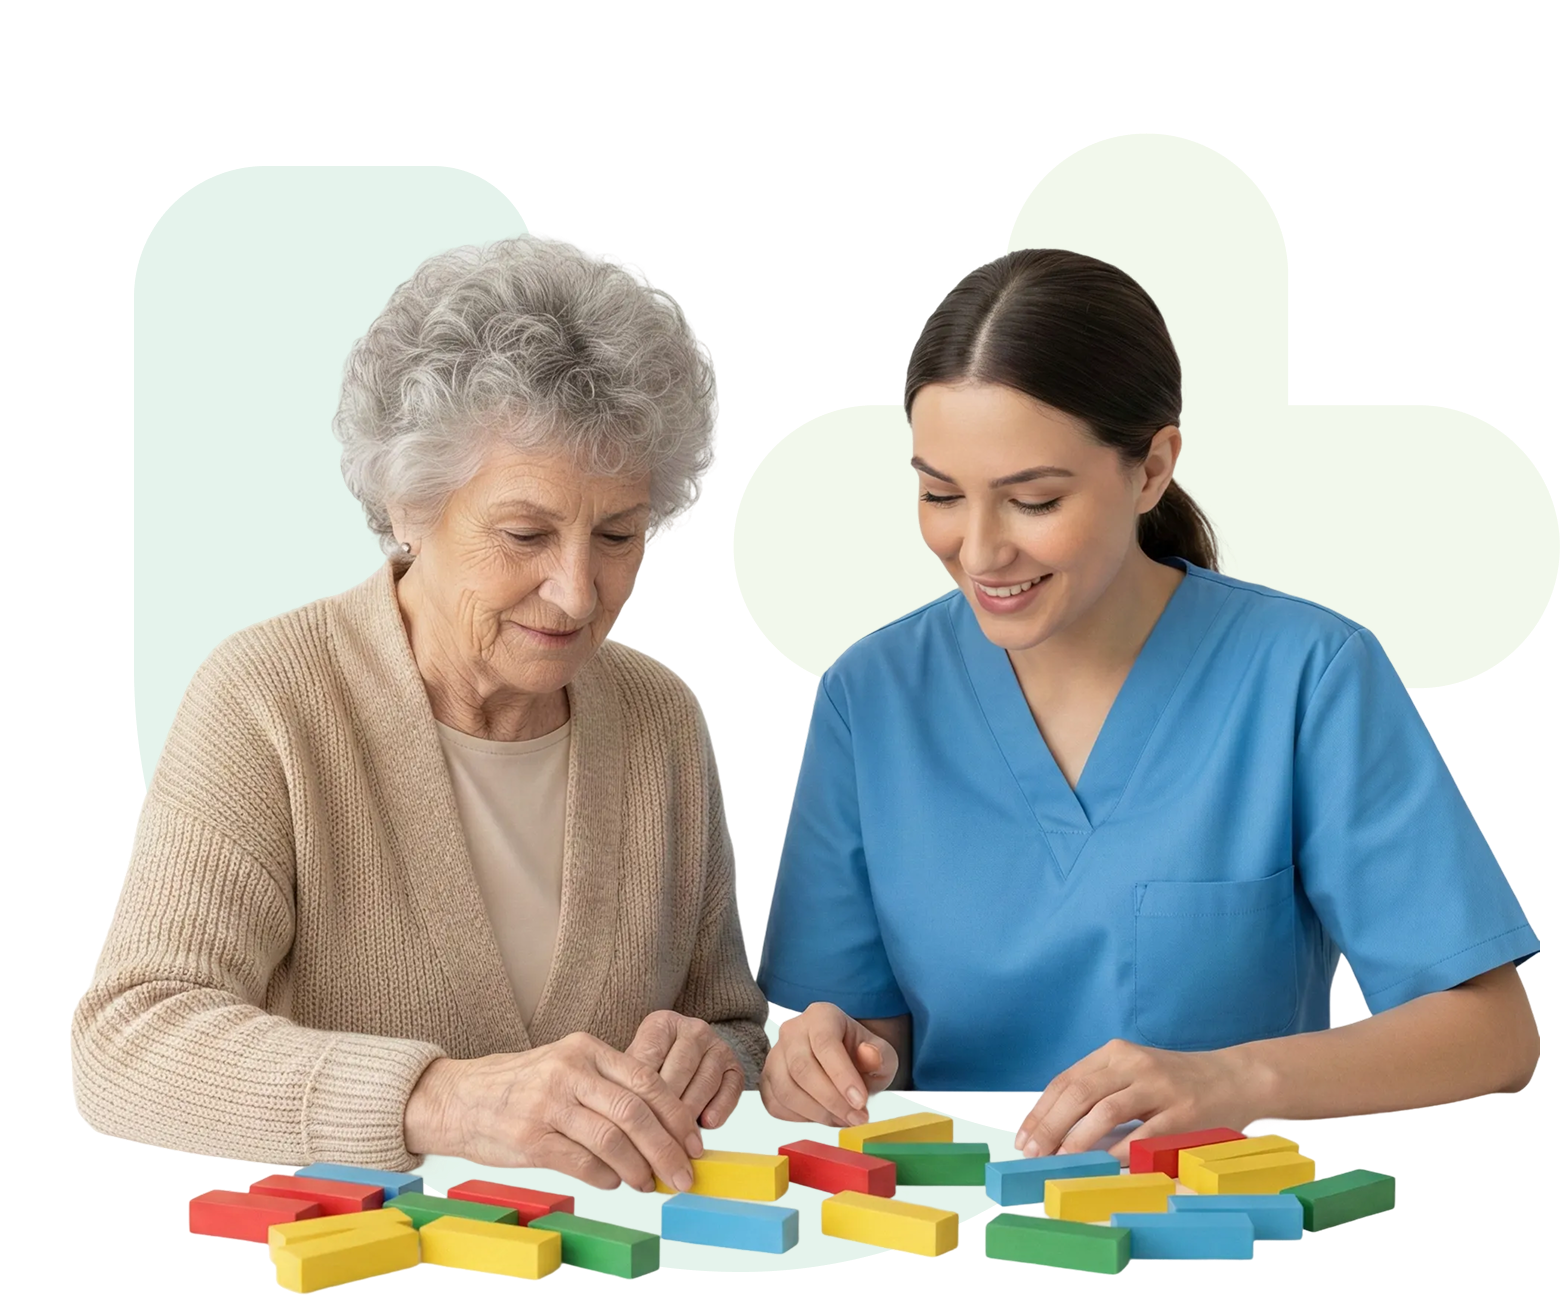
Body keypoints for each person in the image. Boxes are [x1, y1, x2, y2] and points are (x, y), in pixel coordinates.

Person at [755, 248, 1540, 1162]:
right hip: (972, 1213)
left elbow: (1496, 1035)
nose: (979, 552)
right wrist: (824, 1058)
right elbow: (877, 1045)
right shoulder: (871, 694)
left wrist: (1232, 1080)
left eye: (1034, 500)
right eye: (939, 494)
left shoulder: (1309, 676)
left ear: (1153, 468)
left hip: (1213, 1211)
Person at [77, 231, 769, 1193]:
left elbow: (732, 1021)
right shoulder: (268, 695)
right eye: (524, 533)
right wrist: (440, 1100)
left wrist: (714, 1059)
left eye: (619, 534)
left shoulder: (662, 717)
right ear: (407, 504)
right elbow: (126, 1044)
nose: (577, 593)